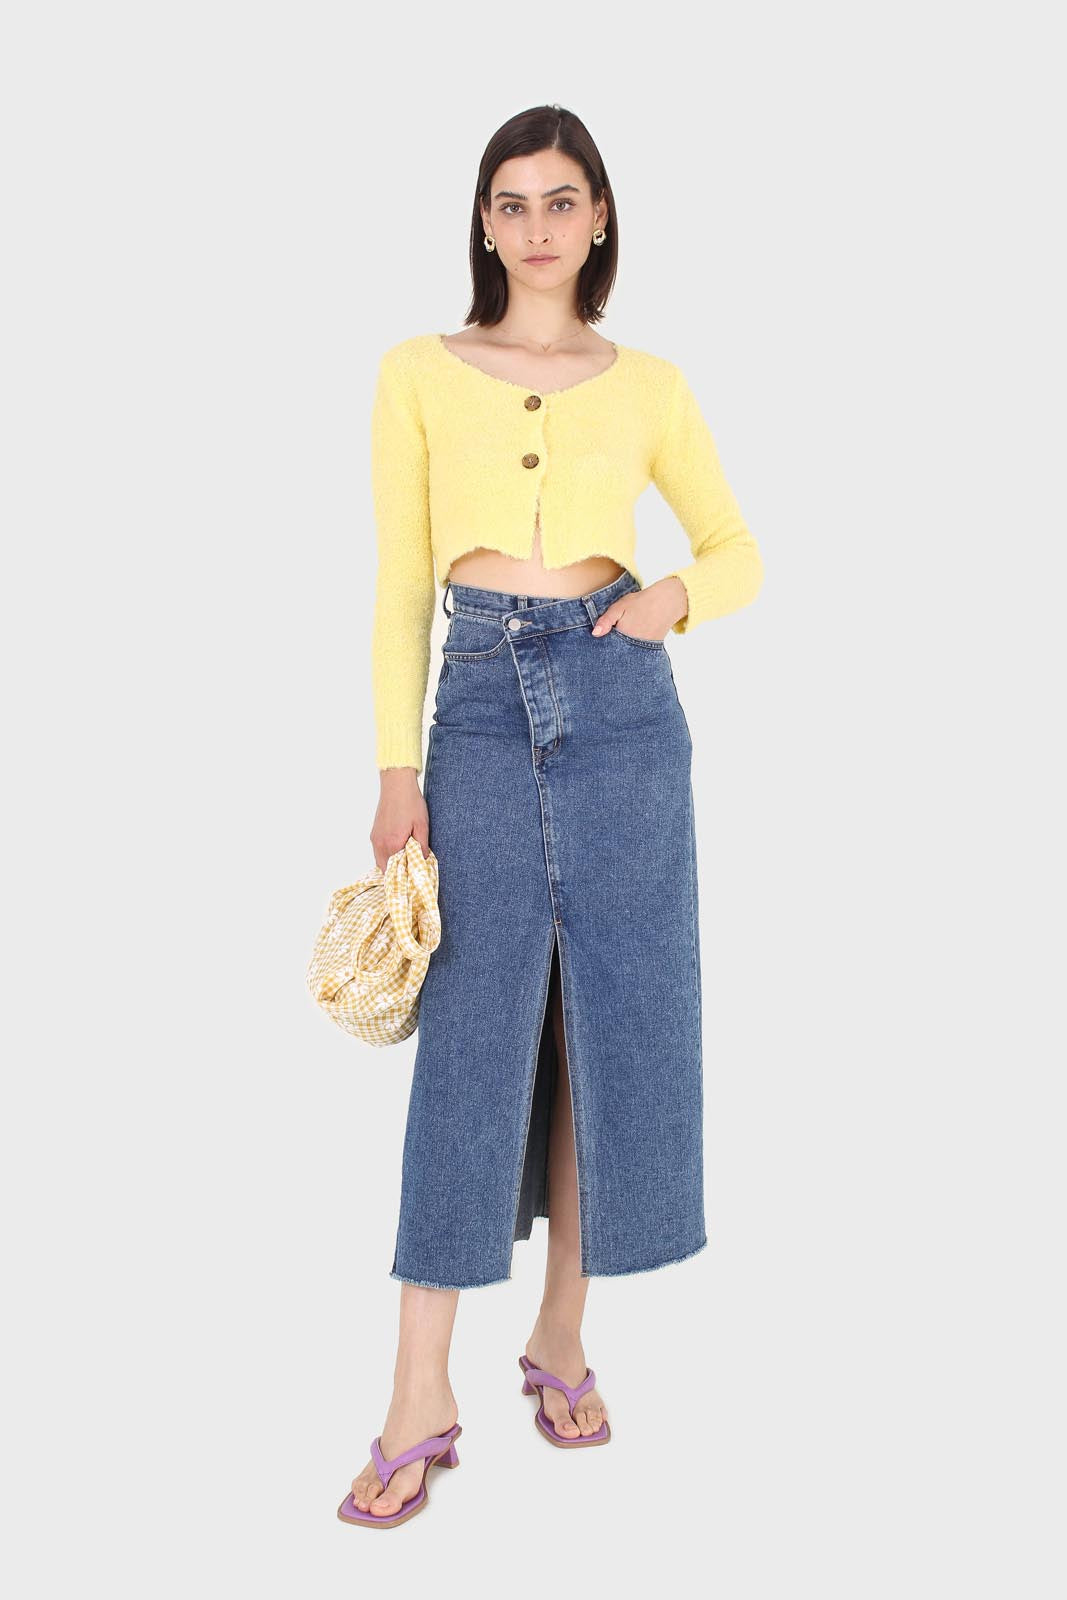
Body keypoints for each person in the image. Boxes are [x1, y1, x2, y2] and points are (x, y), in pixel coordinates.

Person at [339, 103, 764, 1529]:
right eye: (511, 202)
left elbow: (738, 548)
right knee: (472, 1041)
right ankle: (418, 1391)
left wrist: (670, 600)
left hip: (624, 709)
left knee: (607, 1026)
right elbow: (402, 585)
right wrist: (395, 772)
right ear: (483, 221)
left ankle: (563, 1335)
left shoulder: (649, 384)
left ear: (599, 218)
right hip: (473, 708)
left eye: (561, 200)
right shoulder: (418, 370)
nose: (536, 226)